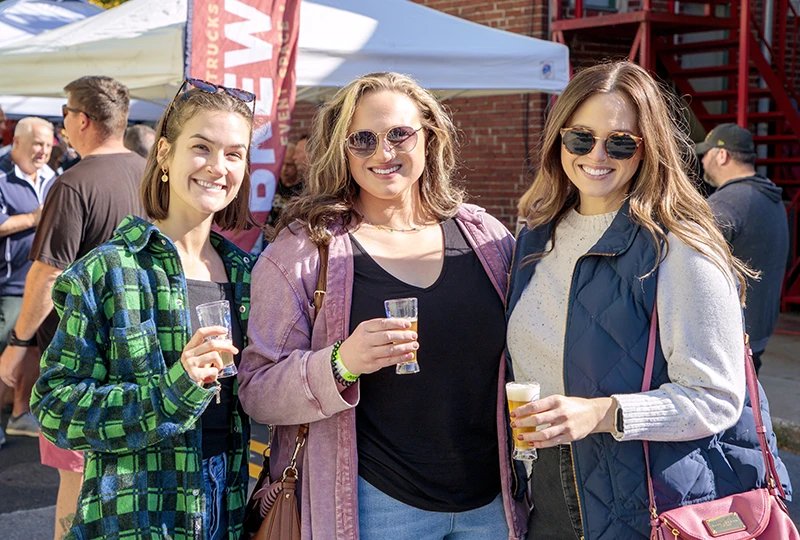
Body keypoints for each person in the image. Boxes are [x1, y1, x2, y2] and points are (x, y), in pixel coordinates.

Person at [508, 61, 792, 539]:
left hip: (644, 505)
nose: (597, 155)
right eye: (581, 138)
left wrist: (601, 413)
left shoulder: (679, 246)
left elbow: (717, 397)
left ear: (648, 149)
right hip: (546, 496)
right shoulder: (537, 239)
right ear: (559, 140)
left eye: (620, 142)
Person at [239, 71, 528, 540]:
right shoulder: (304, 251)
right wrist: (341, 363)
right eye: (363, 140)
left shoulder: (486, 239)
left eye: (399, 134)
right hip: (374, 507)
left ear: (429, 137)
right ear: (341, 151)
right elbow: (257, 390)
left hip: (491, 505)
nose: (383, 152)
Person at [30, 79, 257, 539]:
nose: (218, 167)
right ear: (166, 155)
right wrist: (173, 390)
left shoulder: (247, 274)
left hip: (228, 504)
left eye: (234, 154)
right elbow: (55, 408)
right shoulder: (108, 270)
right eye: (202, 147)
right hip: (137, 514)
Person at [0, 76, 146, 540]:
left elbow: (47, 275)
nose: (63, 123)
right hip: (142, 352)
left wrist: (18, 344)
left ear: (82, 119)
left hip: (80, 361)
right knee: (127, 481)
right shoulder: (152, 176)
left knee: (76, 479)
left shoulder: (72, 184)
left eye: (65, 113)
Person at [696, 123, 789, 374]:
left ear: (722, 155)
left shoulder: (726, 204)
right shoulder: (769, 196)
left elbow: (688, 269)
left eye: (706, 154)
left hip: (727, 343)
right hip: (754, 338)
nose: (702, 161)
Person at [0, 117, 56, 445]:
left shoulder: (53, 177)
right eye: (38, 144)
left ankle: (21, 414)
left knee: (33, 350)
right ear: (17, 142)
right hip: (8, 285)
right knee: (5, 350)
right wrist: (34, 218)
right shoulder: (2, 175)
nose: (43, 151)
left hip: (45, 283)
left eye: (48, 145)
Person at [266, 141, 302, 227]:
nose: (284, 169)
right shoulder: (272, 182)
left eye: (289, 165)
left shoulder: (302, 189)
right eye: (282, 163)